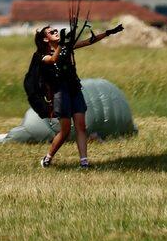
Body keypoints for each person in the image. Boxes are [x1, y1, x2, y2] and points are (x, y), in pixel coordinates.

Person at [36, 22, 122, 169]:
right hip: (60, 94)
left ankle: (84, 162)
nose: (56, 32)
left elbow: (89, 41)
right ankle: (48, 158)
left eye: (56, 31)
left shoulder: (66, 48)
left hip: (74, 89)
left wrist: (108, 33)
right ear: (45, 39)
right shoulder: (42, 56)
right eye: (52, 32)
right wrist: (62, 45)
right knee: (65, 131)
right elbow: (53, 60)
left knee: (81, 126)